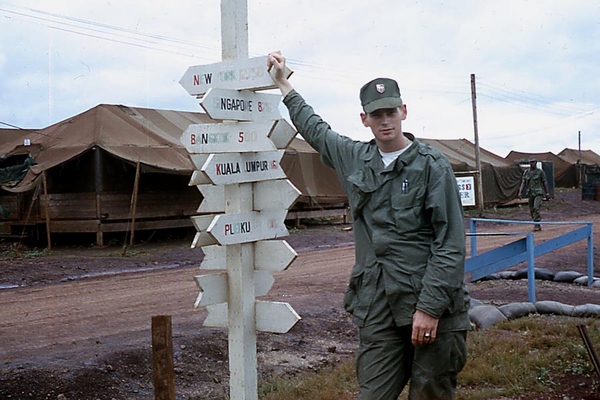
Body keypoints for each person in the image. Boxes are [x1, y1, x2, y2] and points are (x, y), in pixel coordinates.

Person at [268, 51, 471, 400]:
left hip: (432, 308)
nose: (385, 121)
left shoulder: (431, 167)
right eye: (376, 114)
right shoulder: (356, 159)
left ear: (403, 111)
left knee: (429, 395)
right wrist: (284, 84)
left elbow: (450, 244)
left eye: (391, 112)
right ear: (365, 119)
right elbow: (316, 130)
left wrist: (429, 308)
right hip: (378, 307)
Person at [518, 158, 550, 231]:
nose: (532, 164)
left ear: (536, 162)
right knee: (532, 210)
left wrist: (547, 193)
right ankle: (536, 222)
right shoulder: (526, 172)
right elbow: (523, 182)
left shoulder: (540, 172)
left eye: (534, 162)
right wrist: (520, 192)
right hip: (530, 193)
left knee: (536, 207)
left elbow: (544, 182)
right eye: (531, 162)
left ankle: (537, 224)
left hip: (538, 192)